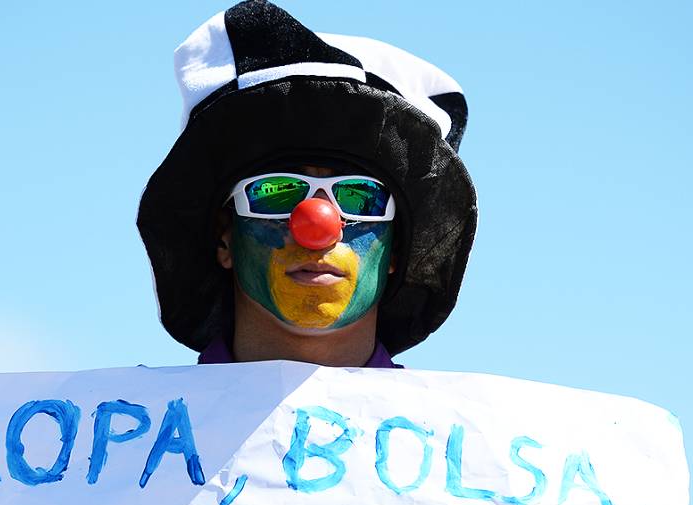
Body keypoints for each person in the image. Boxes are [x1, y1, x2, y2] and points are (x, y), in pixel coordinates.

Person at [137, 0, 477, 368]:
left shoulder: (479, 425)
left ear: (396, 249)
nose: (318, 225)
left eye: (361, 197)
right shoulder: (114, 420)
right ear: (225, 238)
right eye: (276, 191)